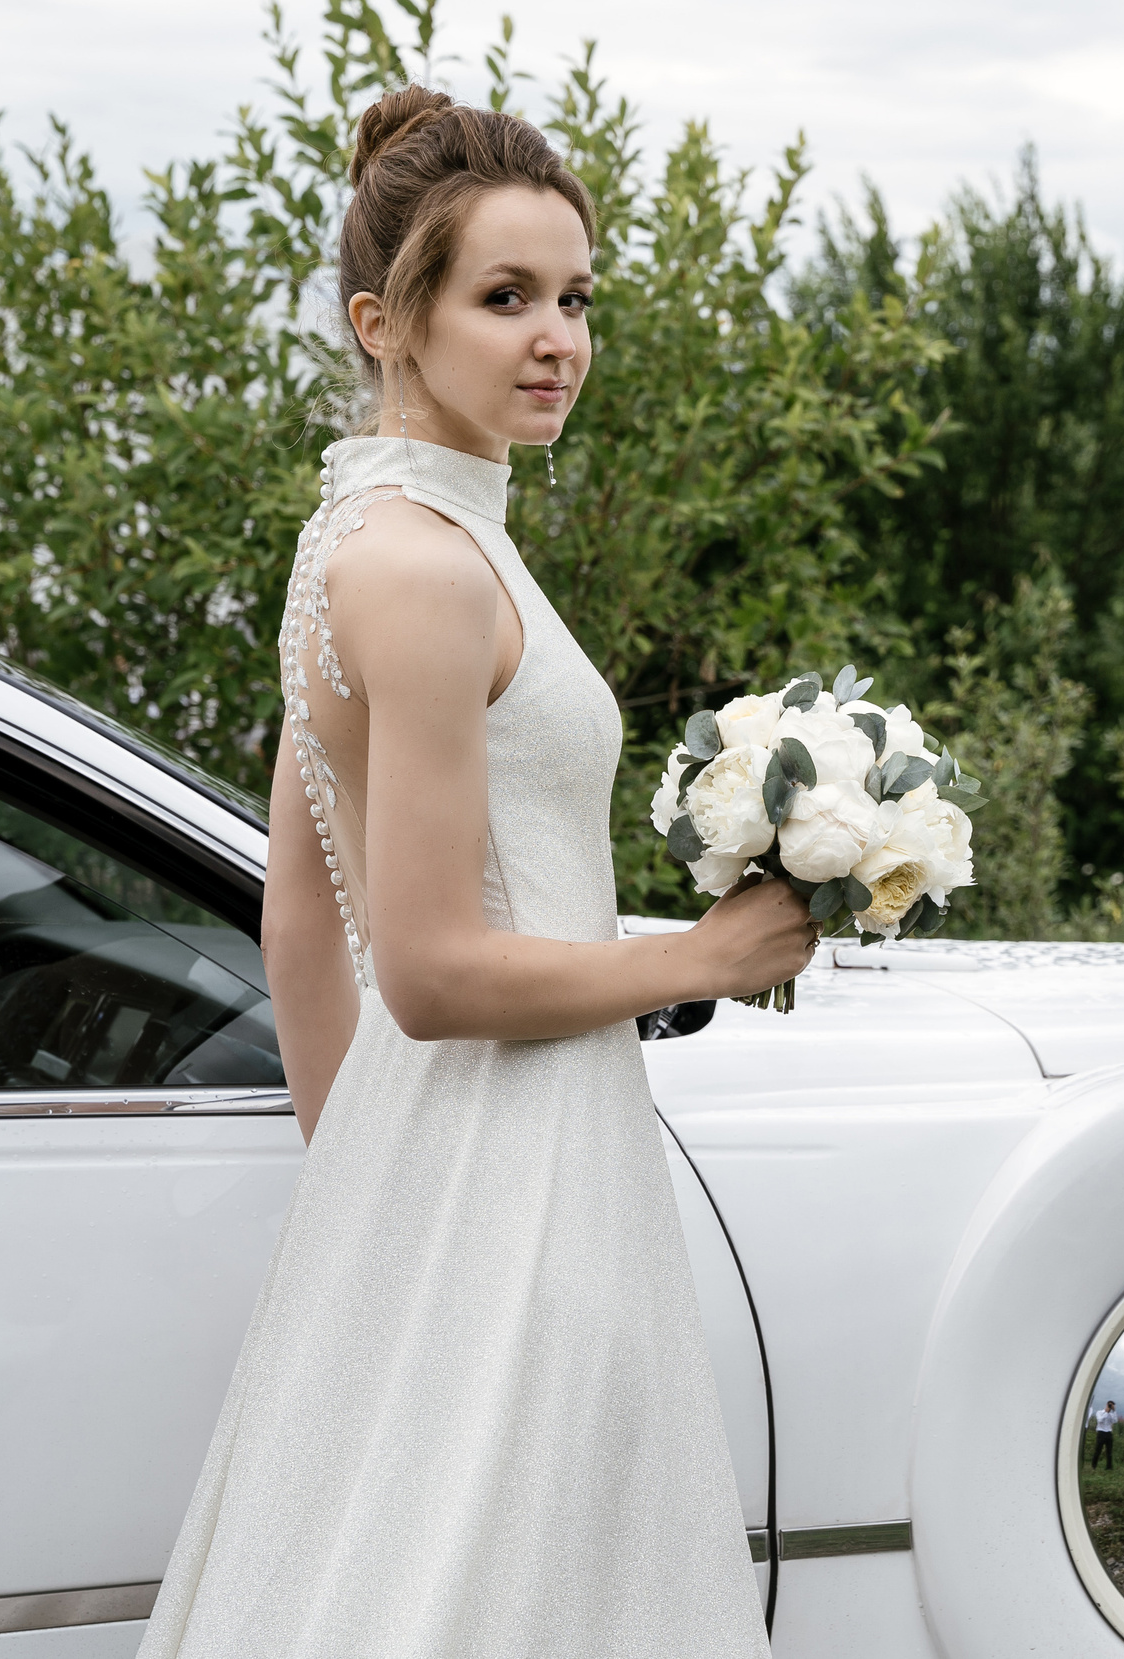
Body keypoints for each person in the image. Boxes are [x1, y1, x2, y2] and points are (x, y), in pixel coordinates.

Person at [136, 85, 814, 1658]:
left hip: (450, 1166)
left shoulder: (355, 539)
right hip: (516, 1162)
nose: (555, 336)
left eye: (575, 297)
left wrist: (372, 1181)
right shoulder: (426, 569)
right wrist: (707, 956)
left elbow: (300, 907)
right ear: (388, 320)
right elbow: (432, 969)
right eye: (503, 297)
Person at [1091, 1399, 1118, 1469]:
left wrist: (1114, 1411)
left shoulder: (1112, 1414)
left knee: (1109, 1451)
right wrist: (1106, 1412)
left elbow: (1115, 1421)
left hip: (1108, 1433)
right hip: (1101, 1432)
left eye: (1111, 1405)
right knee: (1098, 1450)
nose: (1110, 1406)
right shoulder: (1099, 1412)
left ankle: (1109, 1467)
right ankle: (1094, 1465)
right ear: (1106, 1405)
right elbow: (1100, 1420)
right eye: (1109, 1404)